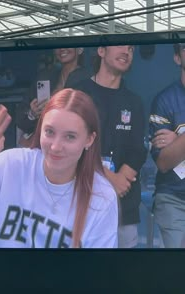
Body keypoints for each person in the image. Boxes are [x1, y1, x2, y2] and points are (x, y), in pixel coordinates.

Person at [0, 88, 118, 248]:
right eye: (49, 132)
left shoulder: (101, 196)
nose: (55, 147)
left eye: (70, 136)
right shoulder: (12, 167)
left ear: (89, 140)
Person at [73, 45, 147, 248]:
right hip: (81, 205)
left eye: (131, 49)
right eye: (121, 45)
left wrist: (120, 180)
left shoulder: (134, 102)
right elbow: (71, 146)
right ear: (101, 50)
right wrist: (109, 179)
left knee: (123, 277)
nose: (127, 51)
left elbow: (138, 150)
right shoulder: (78, 94)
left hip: (123, 208)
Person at [149, 43, 185, 248]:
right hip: (174, 199)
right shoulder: (164, 100)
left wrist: (178, 139)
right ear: (177, 58)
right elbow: (163, 162)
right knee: (178, 270)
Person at [16, 47, 90, 144]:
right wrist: (32, 114)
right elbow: (21, 120)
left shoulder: (89, 79)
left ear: (80, 49)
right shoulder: (45, 76)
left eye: (68, 44)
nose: (62, 49)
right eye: (58, 46)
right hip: (43, 144)